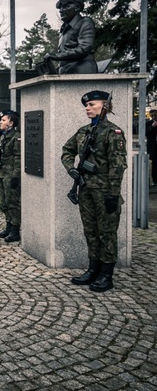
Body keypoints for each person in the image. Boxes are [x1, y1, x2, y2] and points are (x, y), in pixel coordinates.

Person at [61, 90, 127, 292]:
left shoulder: (112, 132)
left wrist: (113, 194)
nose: (87, 109)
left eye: (92, 105)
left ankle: (106, 275)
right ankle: (93, 270)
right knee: (90, 231)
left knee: (106, 233)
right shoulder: (83, 132)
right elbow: (67, 150)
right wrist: (71, 168)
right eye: (86, 106)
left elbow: (118, 166)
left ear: (104, 106)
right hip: (86, 190)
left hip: (105, 191)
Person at [44, 0, 98, 74]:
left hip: (81, 70)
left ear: (77, 8)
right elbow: (65, 53)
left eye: (66, 6)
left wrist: (56, 56)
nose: (61, 10)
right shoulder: (64, 29)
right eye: (61, 7)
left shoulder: (85, 22)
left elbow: (84, 48)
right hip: (66, 71)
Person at [0, 110, 21, 243]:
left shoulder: (16, 137)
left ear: (11, 123)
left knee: (12, 203)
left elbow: (18, 157)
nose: (0, 122)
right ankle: (8, 227)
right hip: (1, 174)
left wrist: (16, 176)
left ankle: (15, 231)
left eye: (3, 120)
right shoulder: (4, 136)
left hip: (10, 175)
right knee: (4, 202)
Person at [146, 109, 157, 185]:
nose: (153, 117)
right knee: (155, 164)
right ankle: (155, 180)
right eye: (152, 116)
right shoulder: (148, 123)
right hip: (154, 147)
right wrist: (152, 127)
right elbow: (146, 133)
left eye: (155, 115)